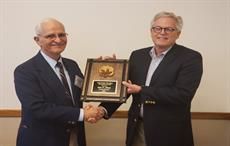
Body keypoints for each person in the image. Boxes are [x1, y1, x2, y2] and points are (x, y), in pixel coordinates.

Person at [99, 11, 203, 146]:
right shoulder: (138, 55)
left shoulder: (190, 58)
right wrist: (116, 71)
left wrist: (142, 90)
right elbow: (127, 88)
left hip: (169, 133)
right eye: (157, 28)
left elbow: (183, 95)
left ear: (178, 34)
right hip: (137, 128)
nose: (162, 32)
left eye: (169, 29)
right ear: (151, 31)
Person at [14, 18, 100, 146]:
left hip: (74, 137)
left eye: (61, 35)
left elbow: (83, 91)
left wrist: (101, 71)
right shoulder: (25, 70)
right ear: (37, 40)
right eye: (50, 36)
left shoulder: (72, 65)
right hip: (43, 140)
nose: (58, 40)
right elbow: (37, 108)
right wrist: (82, 114)